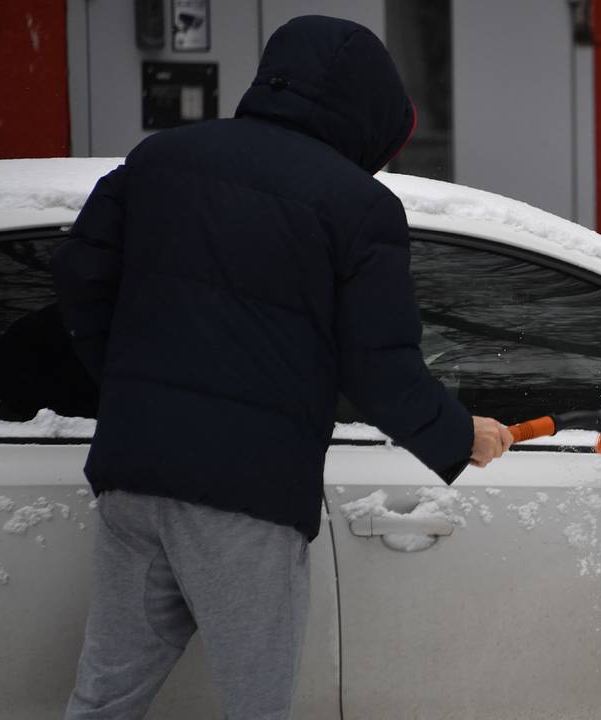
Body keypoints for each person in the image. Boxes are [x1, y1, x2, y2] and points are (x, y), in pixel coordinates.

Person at [52, 15, 512, 719]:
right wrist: (459, 435)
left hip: (133, 476)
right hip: (247, 495)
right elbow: (379, 368)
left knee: (106, 696)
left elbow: (81, 281)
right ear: (370, 117)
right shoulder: (360, 208)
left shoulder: (158, 160)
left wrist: (131, 391)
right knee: (255, 705)